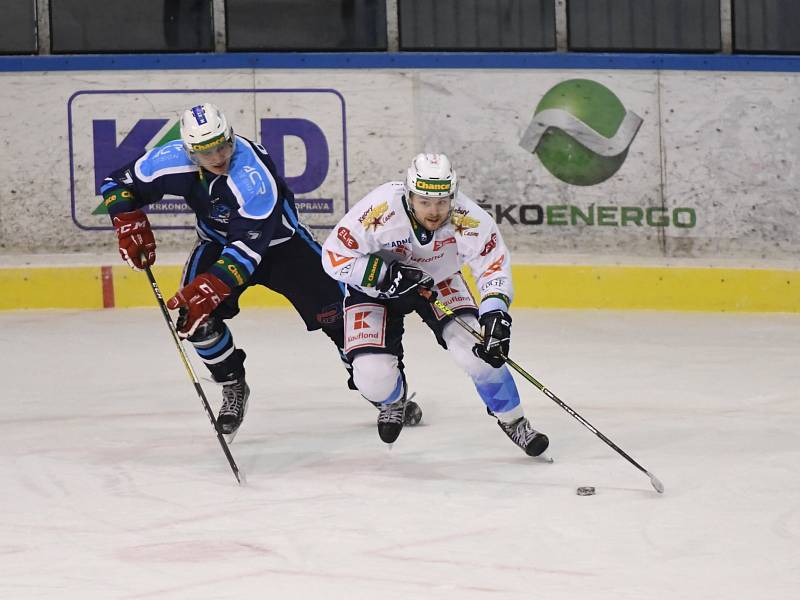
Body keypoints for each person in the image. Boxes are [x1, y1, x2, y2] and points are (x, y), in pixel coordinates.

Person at [102, 102, 421, 442]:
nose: (218, 156)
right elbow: (115, 184)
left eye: (223, 145)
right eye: (206, 151)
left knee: (343, 322)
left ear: (231, 136)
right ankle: (232, 383)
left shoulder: (253, 177)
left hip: (283, 247)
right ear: (189, 150)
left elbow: (246, 252)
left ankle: (386, 394)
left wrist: (211, 285)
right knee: (195, 319)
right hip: (218, 245)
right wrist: (126, 219)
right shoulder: (169, 160)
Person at [321, 153, 549, 456]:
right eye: (425, 201)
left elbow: (492, 266)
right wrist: (385, 275)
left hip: (437, 281)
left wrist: (495, 312)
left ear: (452, 196)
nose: (434, 211)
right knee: (372, 378)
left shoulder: (468, 217)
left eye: (442, 201)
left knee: (478, 353)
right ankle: (392, 401)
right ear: (409, 194)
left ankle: (514, 421)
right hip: (373, 289)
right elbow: (334, 255)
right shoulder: (380, 209)